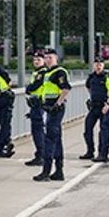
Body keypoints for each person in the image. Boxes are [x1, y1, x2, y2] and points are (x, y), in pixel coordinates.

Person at [34, 48, 71, 182]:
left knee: (49, 139)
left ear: (56, 58)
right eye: (46, 57)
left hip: (54, 109)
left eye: (50, 57)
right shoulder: (47, 73)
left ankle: (46, 171)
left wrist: (58, 104)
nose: (48, 60)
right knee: (57, 139)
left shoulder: (59, 72)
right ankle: (59, 171)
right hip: (48, 107)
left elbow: (66, 89)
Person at [80, 56, 108, 160]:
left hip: (103, 106)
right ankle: (90, 151)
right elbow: (88, 87)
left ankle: (102, 153)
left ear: (103, 65)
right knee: (87, 129)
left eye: (100, 64)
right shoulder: (91, 77)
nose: (98, 66)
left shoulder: (106, 77)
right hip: (94, 106)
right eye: (96, 64)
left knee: (103, 131)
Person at [24, 49, 48, 167]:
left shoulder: (42, 72)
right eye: (35, 60)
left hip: (39, 105)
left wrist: (28, 88)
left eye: (39, 59)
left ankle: (41, 155)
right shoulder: (36, 72)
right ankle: (40, 154)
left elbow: (35, 86)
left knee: (38, 131)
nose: (36, 61)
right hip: (35, 105)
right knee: (37, 131)